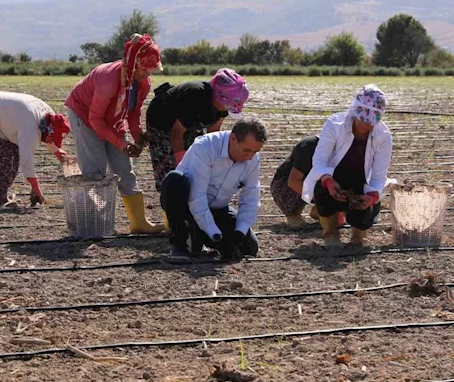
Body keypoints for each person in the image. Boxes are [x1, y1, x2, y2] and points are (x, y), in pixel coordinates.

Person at [65, 33, 164, 234]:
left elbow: (133, 114)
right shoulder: (109, 79)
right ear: (132, 64)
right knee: (96, 170)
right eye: (144, 69)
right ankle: (93, 224)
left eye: (151, 69)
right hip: (85, 116)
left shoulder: (143, 83)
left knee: (125, 169)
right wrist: (121, 144)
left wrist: (137, 139)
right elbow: (95, 120)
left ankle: (139, 223)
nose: (148, 74)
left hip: (112, 118)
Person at [145, 68, 250, 222]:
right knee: (171, 171)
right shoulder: (195, 97)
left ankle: (191, 215)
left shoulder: (223, 105)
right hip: (162, 122)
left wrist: (214, 163)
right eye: (228, 107)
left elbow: (213, 134)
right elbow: (176, 134)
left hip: (189, 125)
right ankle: (173, 220)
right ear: (220, 98)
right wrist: (183, 167)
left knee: (198, 162)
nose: (228, 110)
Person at [161, 117, 267, 261]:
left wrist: (239, 233)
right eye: (247, 150)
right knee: (174, 180)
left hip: (218, 208)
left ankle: (198, 236)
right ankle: (180, 243)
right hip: (189, 205)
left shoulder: (254, 158)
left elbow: (251, 197)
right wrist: (213, 232)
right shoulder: (205, 147)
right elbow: (196, 196)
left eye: (255, 152)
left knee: (249, 248)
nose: (250, 157)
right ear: (233, 139)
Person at [302, 85, 392, 248]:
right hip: (336, 179)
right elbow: (320, 161)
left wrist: (371, 197)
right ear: (354, 111)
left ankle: (358, 236)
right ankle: (330, 233)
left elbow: (379, 175)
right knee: (321, 189)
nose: (364, 126)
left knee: (368, 207)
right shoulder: (335, 124)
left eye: (370, 122)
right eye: (361, 120)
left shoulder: (383, 136)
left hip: (361, 182)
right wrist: (328, 181)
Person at [0, 91, 70, 207]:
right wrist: (35, 188)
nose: (52, 141)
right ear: (47, 130)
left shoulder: (50, 117)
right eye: (52, 139)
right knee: (0, 159)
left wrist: (57, 151)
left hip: (2, 110)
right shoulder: (31, 127)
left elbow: (49, 136)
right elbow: (26, 160)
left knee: (10, 158)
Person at [270, 136, 348, 227]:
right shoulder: (309, 146)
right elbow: (293, 182)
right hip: (286, 186)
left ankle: (321, 210)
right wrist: (322, 202)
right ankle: (294, 214)